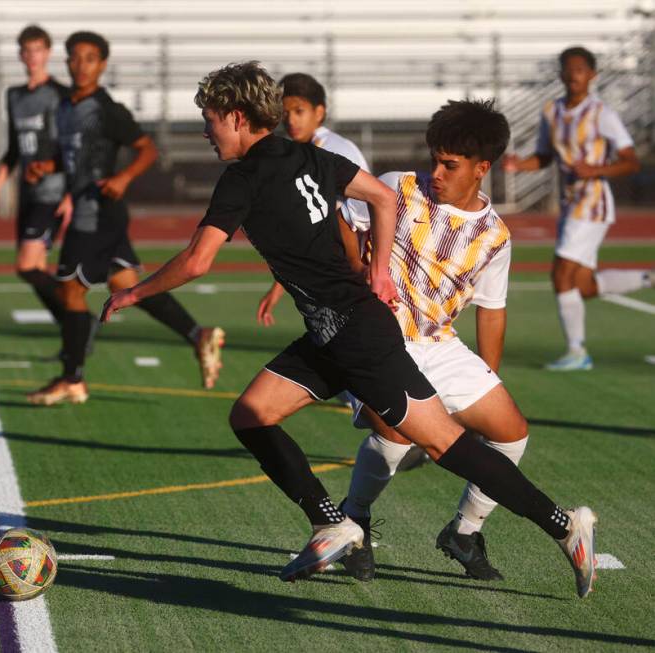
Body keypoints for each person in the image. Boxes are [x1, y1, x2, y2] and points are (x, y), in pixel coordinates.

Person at [102, 62, 597, 598]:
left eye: (210, 119)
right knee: (251, 414)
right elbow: (383, 200)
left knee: (446, 445)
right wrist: (381, 268)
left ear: (239, 117)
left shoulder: (242, 178)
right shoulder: (310, 155)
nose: (205, 131)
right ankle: (333, 522)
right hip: (331, 331)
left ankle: (564, 525)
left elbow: (197, 262)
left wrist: (132, 292)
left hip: (357, 334)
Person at [264, 100, 528, 583]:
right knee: (396, 435)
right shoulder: (397, 187)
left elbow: (492, 309)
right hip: (379, 338)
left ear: (481, 169)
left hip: (440, 343)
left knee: (511, 432)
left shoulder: (496, 235)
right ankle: (356, 517)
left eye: (450, 165)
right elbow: (346, 220)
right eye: (435, 159)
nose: (437, 172)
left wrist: (489, 377)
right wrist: (363, 267)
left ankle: (463, 532)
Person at [25, 31, 223, 406]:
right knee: (129, 285)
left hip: (97, 214)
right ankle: (199, 335)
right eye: (74, 57)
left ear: (102, 65)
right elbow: (73, 159)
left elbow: (147, 149)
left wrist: (123, 177)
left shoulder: (108, 109)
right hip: (93, 212)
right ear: (66, 62)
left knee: (70, 290)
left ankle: (72, 379)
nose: (80, 65)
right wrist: (45, 167)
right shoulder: (64, 108)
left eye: (89, 58)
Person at [503, 46, 650, 371]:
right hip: (572, 205)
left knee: (560, 275)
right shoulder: (552, 112)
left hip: (593, 203)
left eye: (580, 69)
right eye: (568, 70)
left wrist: (595, 170)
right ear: (560, 75)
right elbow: (545, 156)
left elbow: (630, 161)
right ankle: (648, 277)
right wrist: (519, 164)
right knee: (582, 286)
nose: (573, 76)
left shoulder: (601, 114)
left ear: (592, 75)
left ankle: (577, 351)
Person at [257, 72, 371, 323]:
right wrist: (279, 287)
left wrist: (356, 267)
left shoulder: (330, 150)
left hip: (357, 265)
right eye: (285, 112)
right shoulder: (308, 150)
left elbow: (346, 215)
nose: (291, 119)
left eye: (299, 111)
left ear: (319, 112)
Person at [0, 25, 71, 326]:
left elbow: (72, 148)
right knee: (37, 269)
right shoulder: (15, 95)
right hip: (28, 194)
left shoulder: (59, 95)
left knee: (26, 266)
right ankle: (72, 333)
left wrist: (71, 194)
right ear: (20, 55)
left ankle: (77, 314)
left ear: (48, 53)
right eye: (27, 50)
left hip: (53, 192)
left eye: (38, 50)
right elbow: (15, 150)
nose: (32, 56)